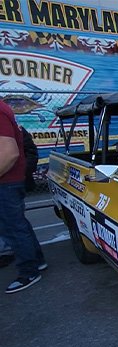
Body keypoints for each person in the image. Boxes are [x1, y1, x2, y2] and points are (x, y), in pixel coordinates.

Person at [0, 99, 47, 293]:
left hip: (6, 181)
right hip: (10, 181)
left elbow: (10, 153)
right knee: (18, 224)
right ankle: (37, 260)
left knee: (13, 227)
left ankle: (29, 271)